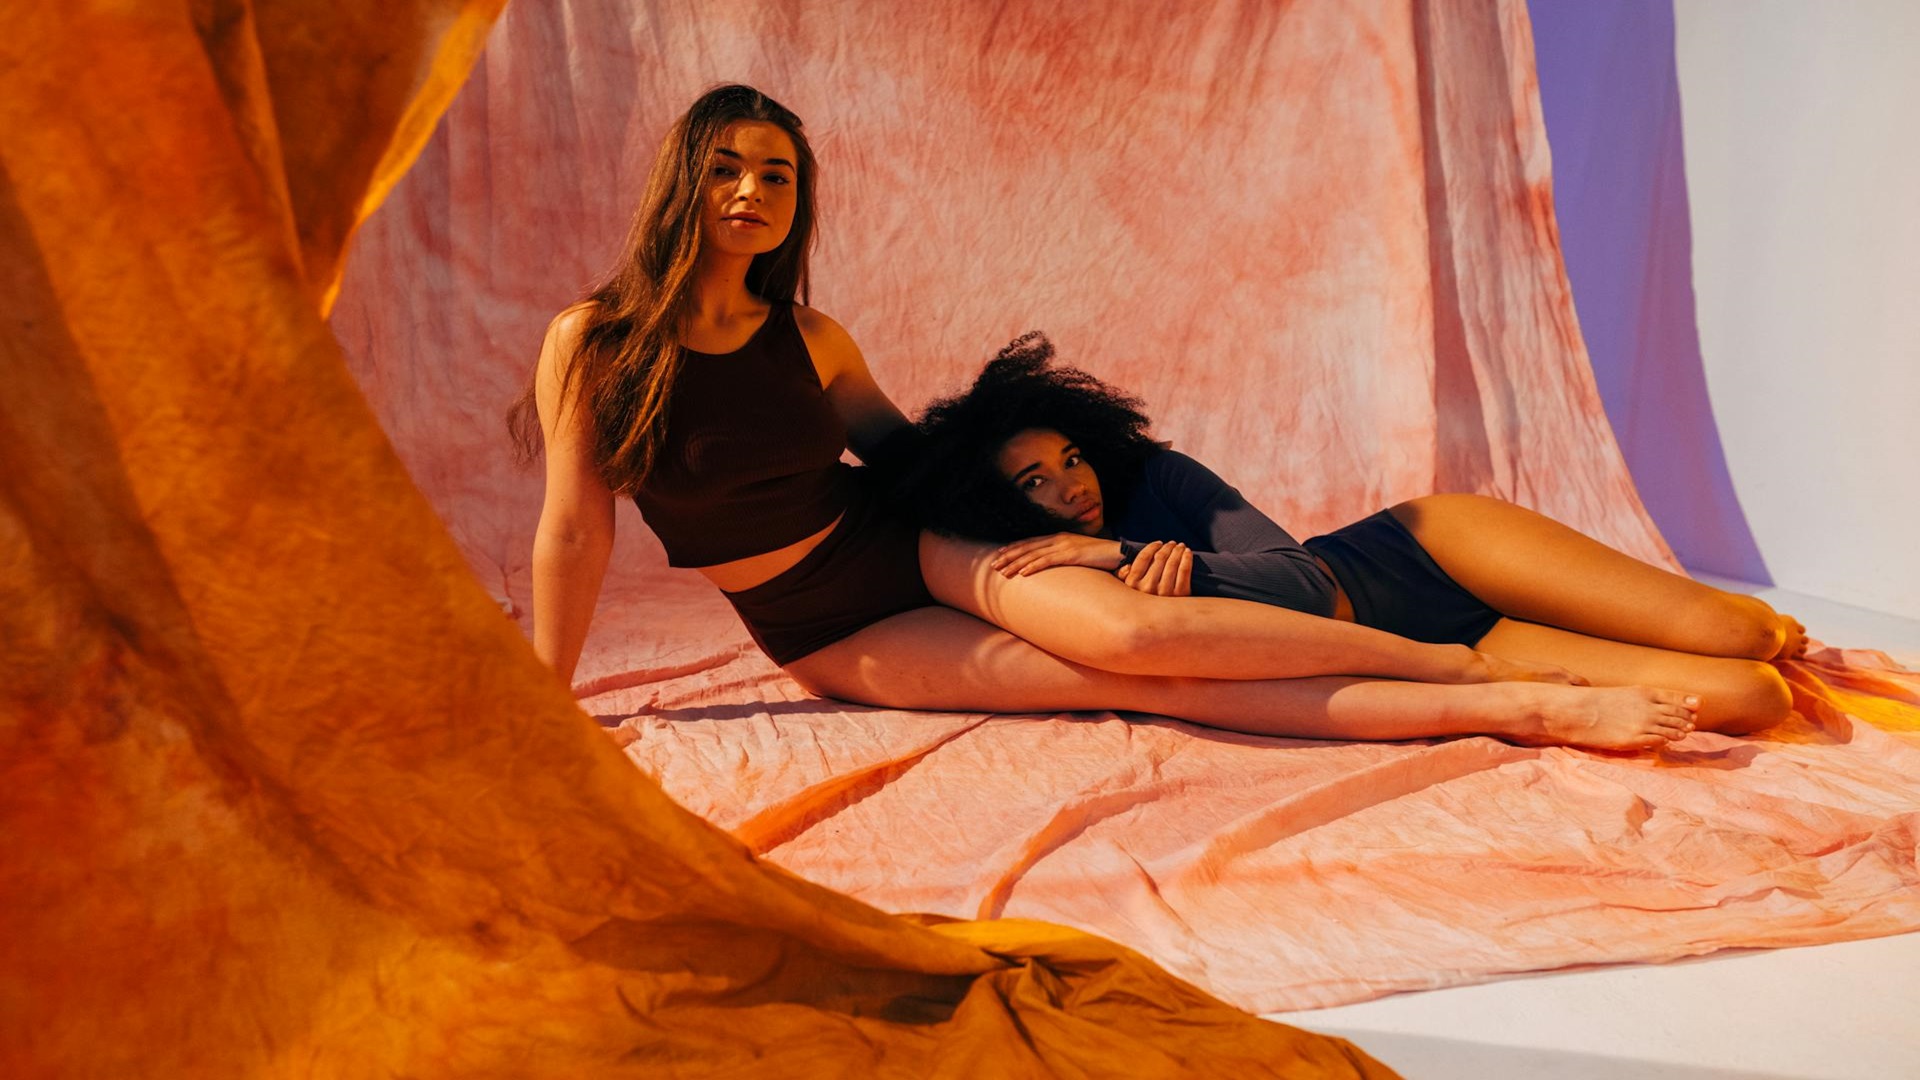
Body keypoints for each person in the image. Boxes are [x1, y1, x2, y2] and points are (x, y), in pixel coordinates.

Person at [510, 83, 1774, 753]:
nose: (751, 189)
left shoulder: (812, 338)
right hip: (821, 629)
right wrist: (548, 698)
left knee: (1131, 634)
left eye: (777, 174)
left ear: (799, 203)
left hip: (915, 551)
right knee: (1155, 688)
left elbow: (916, 466)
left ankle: (1487, 682)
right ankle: (1502, 690)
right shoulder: (595, 342)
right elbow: (574, 531)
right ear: (683, 183)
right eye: (727, 167)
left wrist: (1062, 527)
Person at [909, 331, 1805, 735]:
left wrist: (1125, 552)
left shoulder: (1156, 480)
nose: (1073, 485)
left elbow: (1301, 580)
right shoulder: (1054, 585)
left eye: (1071, 457)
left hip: (1425, 551)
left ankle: (1757, 620)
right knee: (1753, 700)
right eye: (1035, 482)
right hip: (1447, 645)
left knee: (1746, 634)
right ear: (1001, 508)